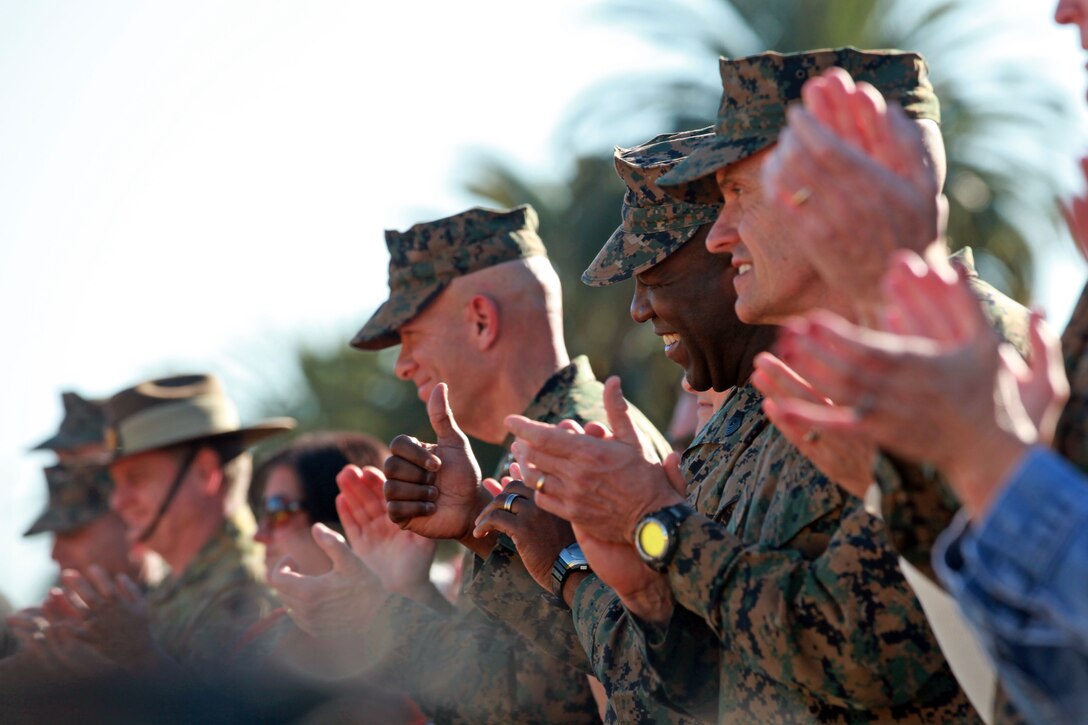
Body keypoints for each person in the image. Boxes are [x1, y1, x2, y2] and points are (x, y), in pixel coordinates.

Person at [505, 51, 1002, 722]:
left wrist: (660, 525)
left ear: (831, 186)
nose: (719, 232)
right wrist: (640, 586)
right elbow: (715, 678)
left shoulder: (972, 366)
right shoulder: (779, 400)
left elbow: (868, 653)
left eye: (739, 192)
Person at [271, 205, 671, 723]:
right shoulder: (550, 445)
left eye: (411, 337)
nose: (401, 365)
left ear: (482, 321)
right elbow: (524, 663)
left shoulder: (569, 450)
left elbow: (545, 707)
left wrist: (376, 618)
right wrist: (410, 592)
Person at [41, 373, 294, 672]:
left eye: (136, 478)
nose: (117, 501)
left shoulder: (250, 594)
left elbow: (236, 716)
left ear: (204, 473)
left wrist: (140, 657)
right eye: (114, 482)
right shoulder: (175, 590)